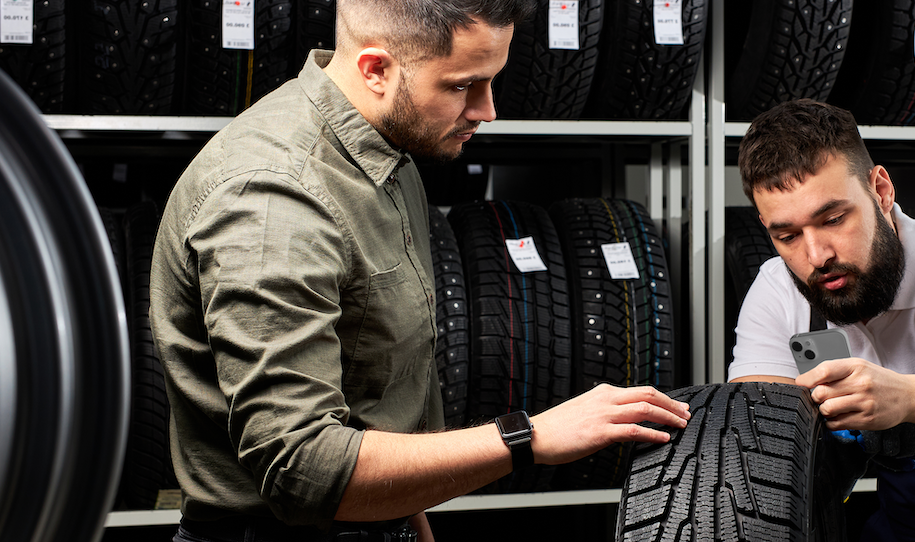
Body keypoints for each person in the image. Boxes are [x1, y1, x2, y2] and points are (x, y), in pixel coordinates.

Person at [149, 1, 692, 541]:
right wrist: (530, 436)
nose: (488, 110)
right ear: (376, 69)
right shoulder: (274, 203)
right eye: (462, 86)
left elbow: (377, 396)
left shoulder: (388, 149)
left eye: (491, 81)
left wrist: (412, 525)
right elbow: (303, 470)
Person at [730, 98, 915, 541]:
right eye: (787, 235)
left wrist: (910, 397)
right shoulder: (778, 289)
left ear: (881, 190)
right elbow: (755, 431)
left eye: (834, 219)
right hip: (905, 527)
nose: (816, 257)